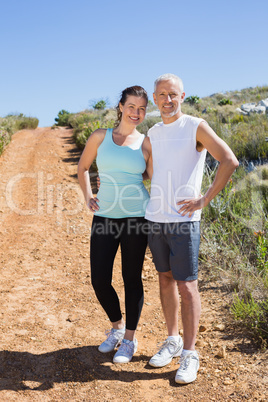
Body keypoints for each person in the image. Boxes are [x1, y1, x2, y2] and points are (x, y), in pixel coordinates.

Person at [145, 74, 239, 384]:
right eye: (161, 95)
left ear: (182, 95)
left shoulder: (195, 126)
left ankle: (189, 354)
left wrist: (205, 199)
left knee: (188, 287)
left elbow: (229, 160)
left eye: (172, 94)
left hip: (184, 222)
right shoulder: (154, 132)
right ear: (154, 99)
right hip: (155, 219)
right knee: (165, 279)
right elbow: (151, 173)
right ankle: (172, 341)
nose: (167, 100)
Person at [77, 86, 152, 364]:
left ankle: (129, 340)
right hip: (105, 216)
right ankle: (117, 326)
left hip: (136, 217)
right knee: (99, 279)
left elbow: (151, 175)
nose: (136, 113)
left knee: (132, 279)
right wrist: (89, 196)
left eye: (142, 108)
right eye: (131, 106)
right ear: (120, 106)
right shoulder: (100, 136)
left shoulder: (146, 142)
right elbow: (83, 168)